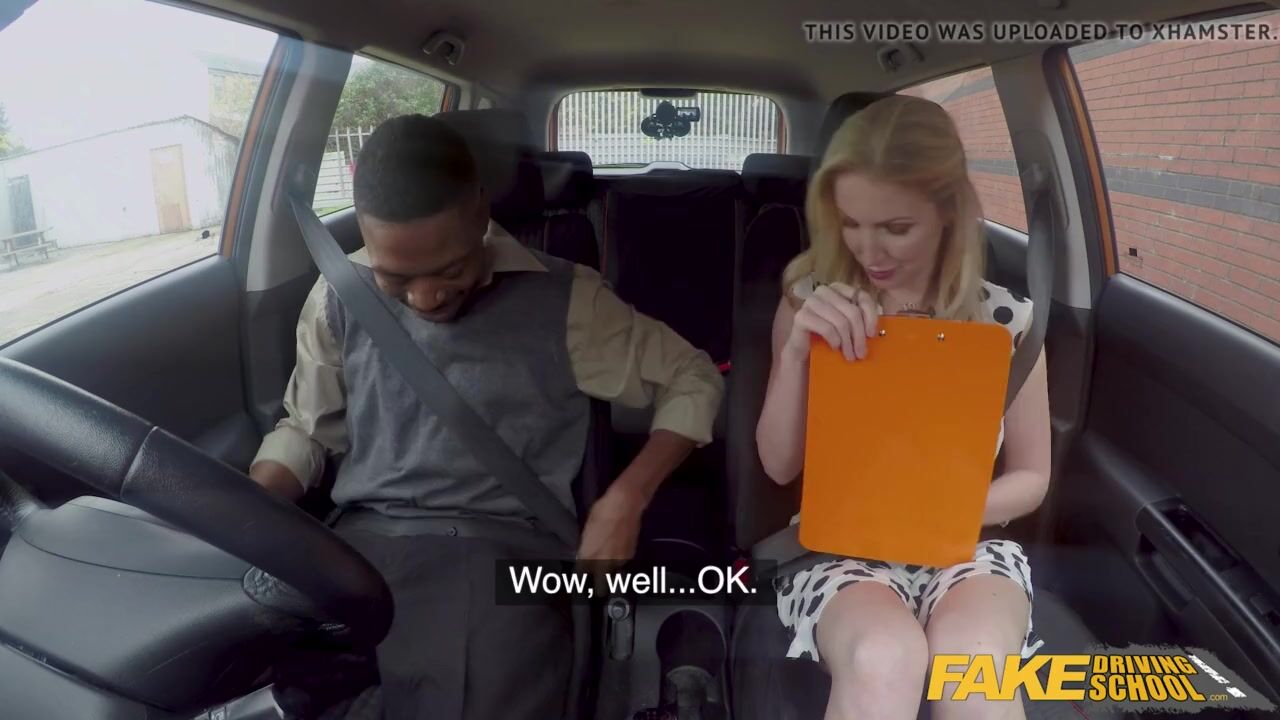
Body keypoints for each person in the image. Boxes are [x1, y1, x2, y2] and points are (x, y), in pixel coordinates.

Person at [249, 114, 724, 719]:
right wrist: (248, 515)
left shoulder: (568, 300)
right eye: (397, 278)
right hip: (359, 543)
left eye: (449, 270)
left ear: (480, 210)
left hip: (501, 554)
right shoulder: (338, 292)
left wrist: (626, 498)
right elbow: (306, 431)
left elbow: (694, 377)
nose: (426, 298)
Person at [756, 95, 1051, 720]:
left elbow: (1031, 476)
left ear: (948, 213)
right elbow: (779, 466)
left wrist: (933, 515)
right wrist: (796, 355)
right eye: (850, 223)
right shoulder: (811, 300)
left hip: (968, 543)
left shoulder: (1006, 322)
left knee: (976, 667)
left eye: (895, 228)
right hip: (841, 547)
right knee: (883, 658)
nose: (869, 250)